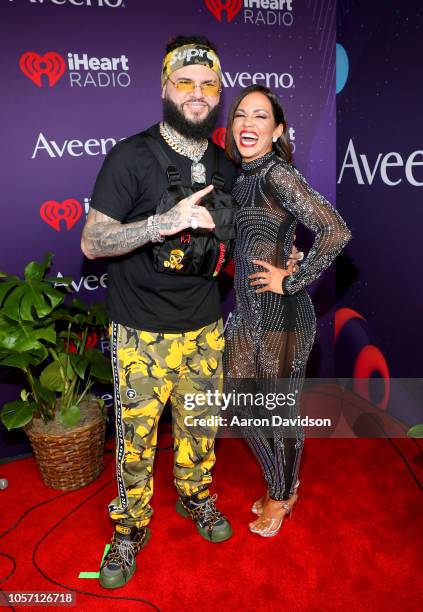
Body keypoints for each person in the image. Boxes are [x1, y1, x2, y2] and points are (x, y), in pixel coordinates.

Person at [80, 35, 238, 590]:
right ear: (165, 87)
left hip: (205, 327)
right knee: (135, 442)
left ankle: (196, 498)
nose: (196, 94)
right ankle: (129, 528)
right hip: (141, 330)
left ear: (218, 92)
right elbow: (92, 244)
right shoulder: (131, 155)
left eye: (207, 84)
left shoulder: (226, 163)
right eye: (185, 82)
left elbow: (233, 241)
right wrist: (158, 224)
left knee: (201, 430)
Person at [223, 84, 352, 537]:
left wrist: (292, 278)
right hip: (248, 313)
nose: (248, 123)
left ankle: (282, 495)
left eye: (260, 116)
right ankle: (281, 483)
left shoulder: (278, 174)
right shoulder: (240, 177)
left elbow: (335, 231)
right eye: (241, 114)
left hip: (283, 315)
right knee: (239, 404)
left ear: (277, 130)